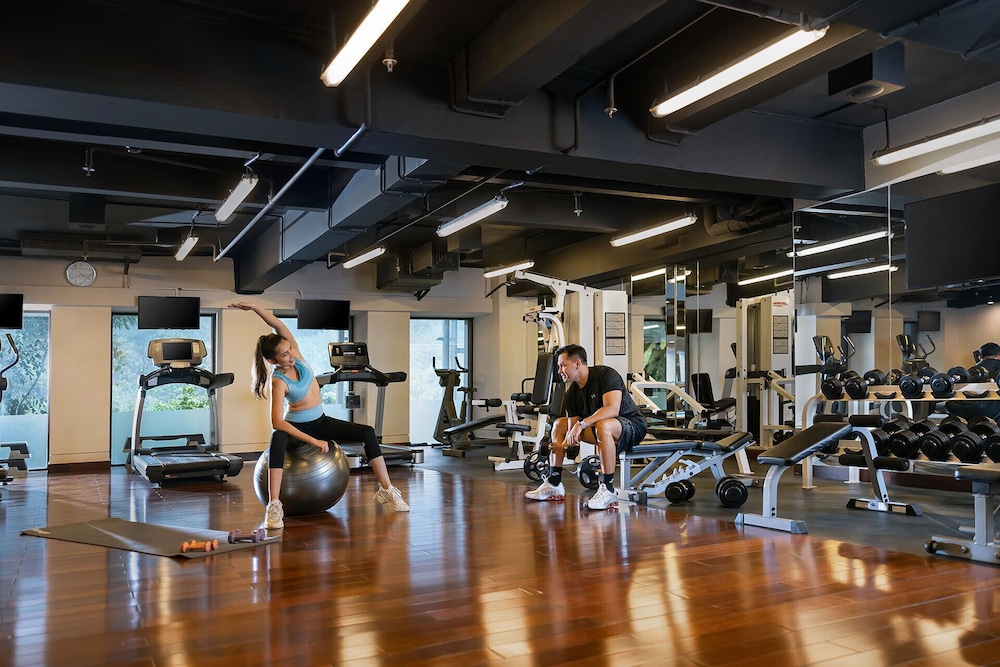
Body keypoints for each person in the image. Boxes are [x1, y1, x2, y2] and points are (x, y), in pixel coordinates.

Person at [230, 302, 409, 530]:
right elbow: (277, 422)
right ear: (272, 361)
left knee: (367, 432)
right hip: (297, 428)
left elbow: (279, 325)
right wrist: (313, 441)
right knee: (277, 439)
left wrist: (256, 308)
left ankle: (386, 489)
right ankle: (274, 506)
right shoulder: (278, 382)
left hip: (321, 422)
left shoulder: (297, 357)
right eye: (284, 355)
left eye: (290, 350)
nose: (291, 356)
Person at [525, 343, 647, 510]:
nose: (559, 371)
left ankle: (608, 490)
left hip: (631, 426)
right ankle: (554, 483)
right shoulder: (571, 394)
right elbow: (571, 432)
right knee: (559, 424)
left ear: (577, 364)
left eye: (562, 365)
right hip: (600, 430)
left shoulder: (606, 375)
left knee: (603, 424)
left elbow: (612, 409)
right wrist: (562, 445)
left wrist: (581, 424)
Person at [945, 342, 1000, 421]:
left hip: (964, 409)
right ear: (999, 356)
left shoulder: (971, 371)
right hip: (991, 411)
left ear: (980, 357)